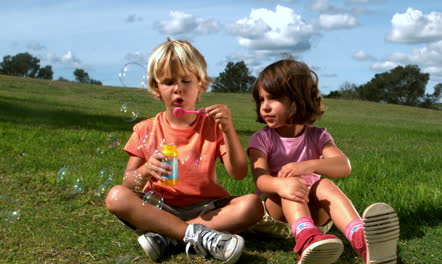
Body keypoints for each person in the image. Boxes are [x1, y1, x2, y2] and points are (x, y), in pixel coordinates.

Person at [106, 38, 263, 264]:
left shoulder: (212, 127)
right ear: (156, 89)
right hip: (159, 207)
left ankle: (169, 236)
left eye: (186, 80)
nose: (178, 88)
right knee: (116, 197)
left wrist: (228, 130)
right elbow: (128, 182)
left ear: (200, 85)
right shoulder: (145, 129)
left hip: (207, 209)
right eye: (168, 81)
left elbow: (238, 173)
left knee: (253, 205)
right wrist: (147, 169)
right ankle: (194, 235)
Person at [247, 59, 400, 264]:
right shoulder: (262, 138)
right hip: (275, 216)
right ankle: (306, 239)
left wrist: (308, 165)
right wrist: (281, 184)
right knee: (292, 187)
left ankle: (362, 241)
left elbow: (343, 166)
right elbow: (260, 180)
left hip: (315, 218)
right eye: (261, 99)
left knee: (324, 184)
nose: (264, 107)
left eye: (273, 98)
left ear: (298, 99)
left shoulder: (317, 136)